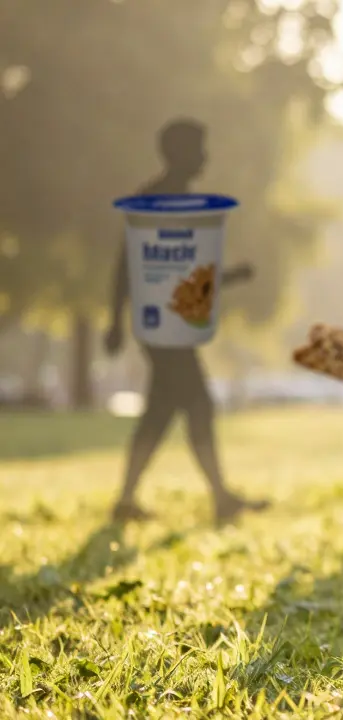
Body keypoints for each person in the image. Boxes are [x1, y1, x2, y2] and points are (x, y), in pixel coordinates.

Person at [104, 118, 268, 525]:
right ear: (180, 153)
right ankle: (220, 497)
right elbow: (130, 264)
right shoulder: (156, 201)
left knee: (160, 412)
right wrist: (114, 319)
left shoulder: (184, 201)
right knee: (198, 405)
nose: (205, 157)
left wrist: (229, 276)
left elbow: (190, 273)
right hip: (162, 326)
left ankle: (127, 500)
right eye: (199, 148)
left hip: (175, 323)